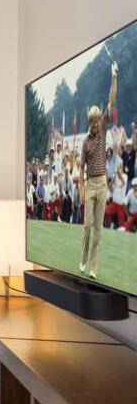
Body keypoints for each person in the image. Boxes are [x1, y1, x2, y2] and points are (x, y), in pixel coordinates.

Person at [79, 63, 117, 279]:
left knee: (99, 230)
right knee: (87, 226)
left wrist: (113, 76)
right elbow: (82, 166)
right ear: (89, 122)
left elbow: (111, 100)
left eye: (97, 120)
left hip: (102, 183)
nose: (96, 123)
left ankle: (94, 268)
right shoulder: (85, 142)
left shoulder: (103, 130)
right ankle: (82, 259)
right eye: (93, 121)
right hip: (90, 184)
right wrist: (82, 189)